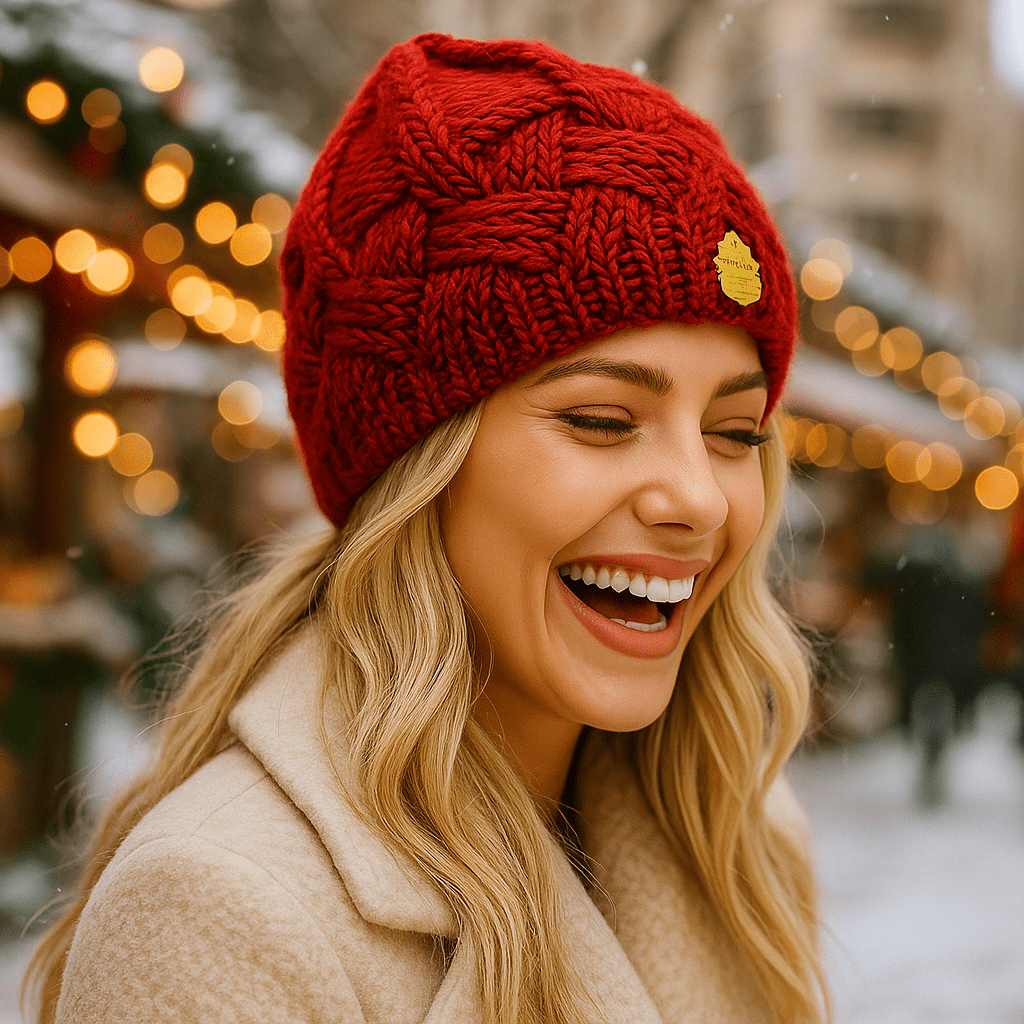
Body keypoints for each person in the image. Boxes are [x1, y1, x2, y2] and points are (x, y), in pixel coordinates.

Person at [25, 33, 829, 1024]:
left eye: (733, 432)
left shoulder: (739, 844)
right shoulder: (216, 909)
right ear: (416, 465)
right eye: (600, 420)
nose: (699, 499)